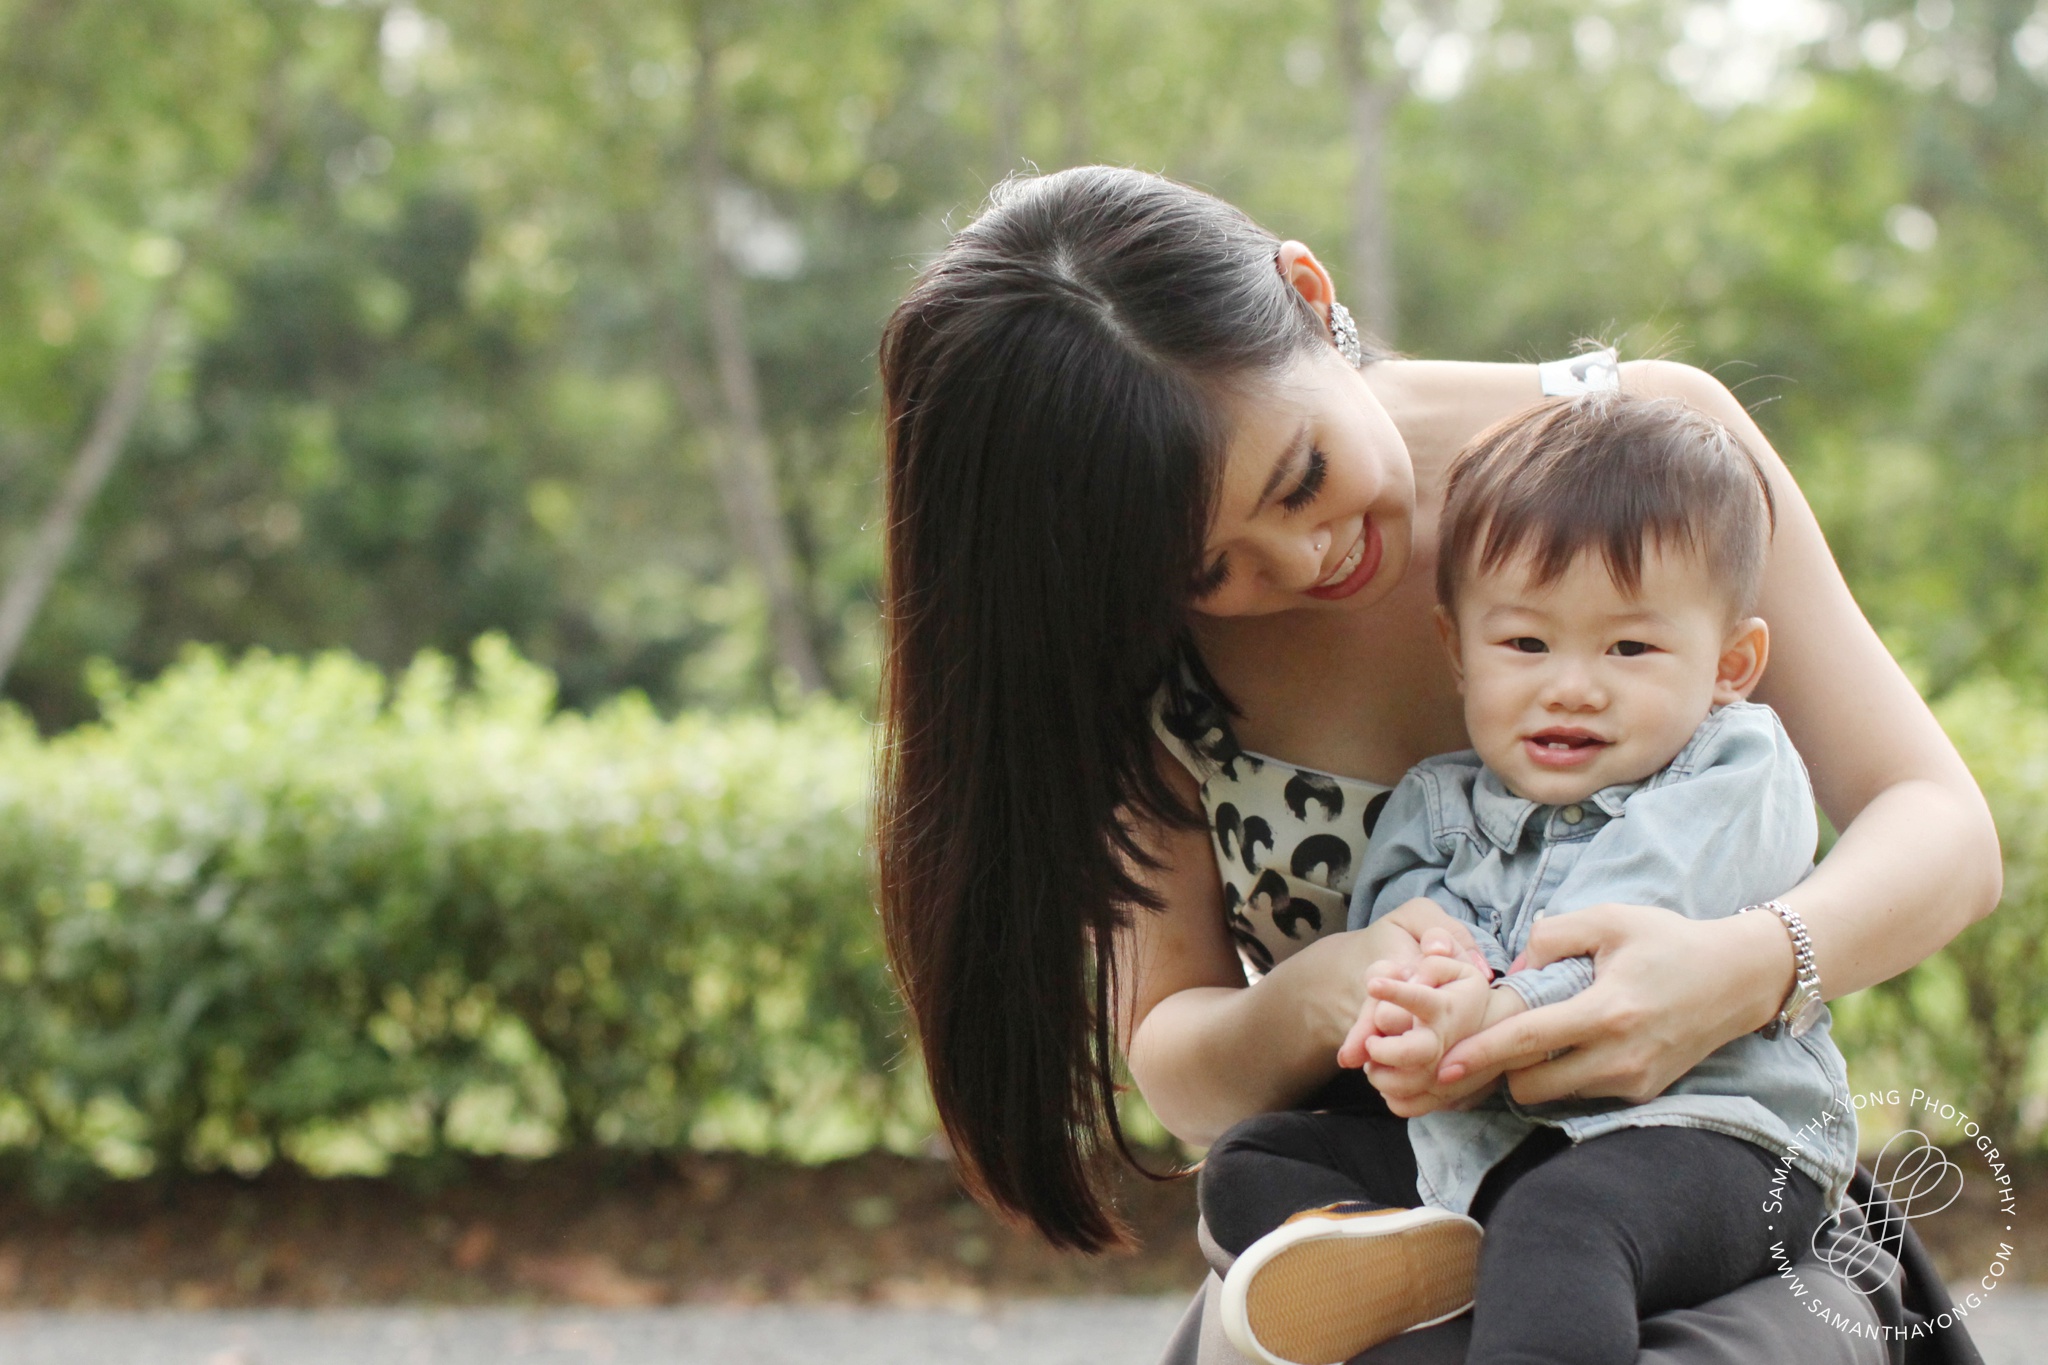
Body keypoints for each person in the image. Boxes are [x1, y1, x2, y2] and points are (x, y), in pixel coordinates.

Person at [872, 166, 1999, 1359]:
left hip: (1693, 1170)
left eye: (1299, 477)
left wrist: (1742, 967)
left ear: (1305, 293)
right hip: (1397, 1186)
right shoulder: (1148, 658)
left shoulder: (1646, 461)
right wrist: (1333, 991)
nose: (1304, 557)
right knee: (1269, 1203)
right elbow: (1183, 1074)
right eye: (1213, 569)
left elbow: (1939, 827)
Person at [1202, 393, 1854, 1365]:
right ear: (1455, 652)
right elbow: (1409, 930)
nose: (1571, 684)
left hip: (1703, 1135)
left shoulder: (1732, 768)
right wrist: (1415, 1017)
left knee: (1564, 1221)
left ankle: (1510, 1260)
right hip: (1488, 1134)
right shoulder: (1436, 802)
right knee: (1249, 1165)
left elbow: (1623, 921)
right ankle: (1432, 1252)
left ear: (1728, 664)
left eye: (1628, 647)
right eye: (1524, 643)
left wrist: (1489, 1016)